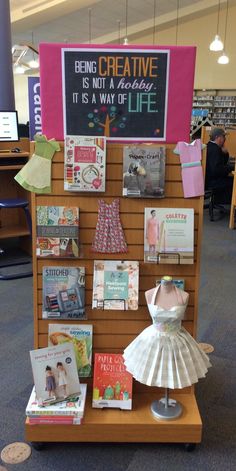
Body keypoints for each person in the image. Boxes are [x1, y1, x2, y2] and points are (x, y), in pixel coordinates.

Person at [123, 276, 211, 389]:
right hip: (154, 337)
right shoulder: (149, 294)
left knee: (175, 370)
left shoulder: (184, 295)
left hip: (177, 337)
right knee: (155, 368)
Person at [206, 127, 234, 204]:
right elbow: (216, 170)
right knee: (234, 181)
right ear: (217, 137)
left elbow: (221, 163)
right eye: (223, 136)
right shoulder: (215, 149)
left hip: (209, 180)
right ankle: (230, 205)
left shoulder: (210, 146)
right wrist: (232, 167)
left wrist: (225, 153)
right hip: (213, 181)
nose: (225, 139)